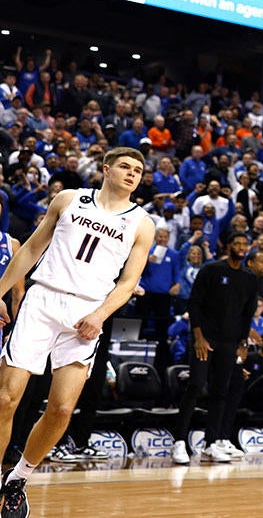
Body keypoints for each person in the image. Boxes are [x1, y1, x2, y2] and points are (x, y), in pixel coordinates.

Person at [0, 147, 155, 515]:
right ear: (106, 169)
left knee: (62, 408)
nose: (132, 174)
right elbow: (33, 248)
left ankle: (18, 479)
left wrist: (100, 315)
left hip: (87, 312)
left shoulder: (143, 223)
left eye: (138, 170)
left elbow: (129, 281)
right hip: (43, 299)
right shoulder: (68, 199)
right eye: (125, 166)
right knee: (6, 398)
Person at [172, 232, 263, 465]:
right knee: (195, 385)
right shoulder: (211, 269)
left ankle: (210, 444)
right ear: (228, 246)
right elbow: (194, 303)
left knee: (220, 391)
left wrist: (243, 343)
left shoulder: (249, 278)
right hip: (205, 340)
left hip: (229, 343)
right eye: (237, 243)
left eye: (245, 244)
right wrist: (198, 337)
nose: (241, 247)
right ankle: (179, 442)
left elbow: (247, 314)